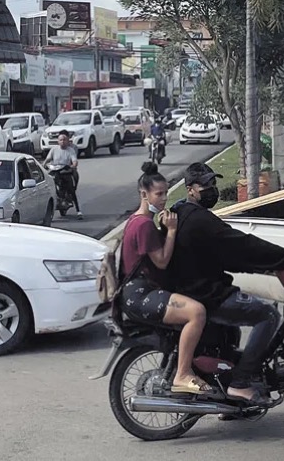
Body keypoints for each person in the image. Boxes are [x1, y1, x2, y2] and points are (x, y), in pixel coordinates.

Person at [167, 162, 284, 406]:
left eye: (214, 184)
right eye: (206, 186)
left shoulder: (181, 211)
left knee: (238, 326)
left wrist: (266, 265)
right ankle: (240, 382)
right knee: (268, 314)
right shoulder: (201, 220)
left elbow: (228, 256)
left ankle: (229, 398)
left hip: (195, 288)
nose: (212, 190)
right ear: (191, 189)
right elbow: (243, 245)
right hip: (207, 294)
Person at [119, 162, 210, 395]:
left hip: (136, 291)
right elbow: (161, 261)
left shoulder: (136, 220)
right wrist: (170, 231)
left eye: (166, 193)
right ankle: (182, 374)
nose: (164, 199)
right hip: (141, 295)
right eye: (159, 194)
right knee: (197, 312)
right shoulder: (143, 225)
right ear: (144, 194)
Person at [44, 130, 82, 218]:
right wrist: (44, 165)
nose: (62, 141)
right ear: (58, 141)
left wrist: (72, 166)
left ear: (68, 140)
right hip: (55, 170)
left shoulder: (71, 150)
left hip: (66, 171)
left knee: (71, 189)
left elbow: (74, 161)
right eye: (61, 140)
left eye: (64, 139)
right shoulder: (54, 149)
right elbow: (48, 159)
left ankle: (78, 211)